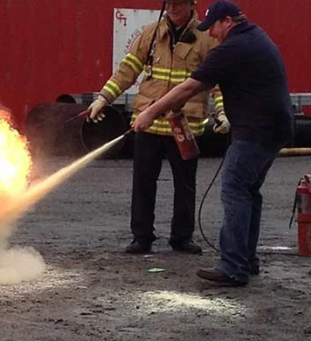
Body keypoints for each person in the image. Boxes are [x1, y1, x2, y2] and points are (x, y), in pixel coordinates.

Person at [133, 0, 294, 286]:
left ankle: (233, 267)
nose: (212, 35)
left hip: (256, 130)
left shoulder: (233, 47)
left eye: (214, 28)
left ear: (227, 22)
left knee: (234, 189)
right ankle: (247, 259)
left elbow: (191, 85)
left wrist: (150, 112)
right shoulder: (255, 36)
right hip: (275, 127)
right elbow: (207, 84)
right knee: (249, 191)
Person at [87, 0, 230, 255]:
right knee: (143, 182)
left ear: (191, 5)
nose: (173, 9)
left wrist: (222, 111)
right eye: (170, 4)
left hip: (185, 123)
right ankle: (141, 238)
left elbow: (217, 81)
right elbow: (127, 70)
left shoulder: (205, 39)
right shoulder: (151, 34)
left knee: (185, 184)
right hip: (148, 122)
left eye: (179, 4)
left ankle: (182, 238)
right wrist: (103, 99)